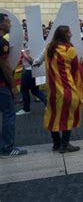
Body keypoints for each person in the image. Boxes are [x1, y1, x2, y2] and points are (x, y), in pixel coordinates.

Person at [43, 25, 83, 153]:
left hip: (52, 89)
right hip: (67, 88)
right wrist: (81, 65)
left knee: (53, 115)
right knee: (68, 115)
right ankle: (65, 144)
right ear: (64, 35)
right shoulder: (70, 50)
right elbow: (75, 70)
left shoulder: (48, 49)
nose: (71, 34)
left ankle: (56, 142)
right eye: (69, 32)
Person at [0, 13, 28, 158]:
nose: (10, 25)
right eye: (7, 22)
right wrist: (13, 87)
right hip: (1, 85)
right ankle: (7, 148)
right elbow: (5, 67)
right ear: (1, 25)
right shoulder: (2, 43)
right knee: (9, 114)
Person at [16, 34, 47, 116]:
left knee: (24, 90)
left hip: (29, 71)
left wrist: (23, 53)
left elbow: (32, 61)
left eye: (26, 34)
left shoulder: (31, 45)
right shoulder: (32, 44)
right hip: (31, 70)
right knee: (35, 90)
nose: (25, 35)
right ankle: (49, 104)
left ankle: (26, 109)